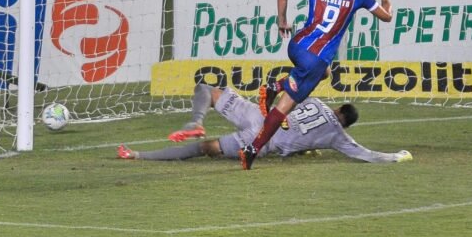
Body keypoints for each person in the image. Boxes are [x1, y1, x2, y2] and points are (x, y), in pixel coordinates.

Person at [240, 0, 394, 170]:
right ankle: (252, 149)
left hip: (296, 45)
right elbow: (387, 16)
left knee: (325, 73)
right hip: (316, 58)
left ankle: (279, 85)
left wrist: (282, 21)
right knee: (285, 107)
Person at [117, 83, 412, 164]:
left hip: (261, 116)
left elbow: (289, 103)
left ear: (337, 107)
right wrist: (397, 156)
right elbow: (366, 154)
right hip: (263, 141)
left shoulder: (315, 101)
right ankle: (138, 155)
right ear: (345, 125)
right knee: (203, 149)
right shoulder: (336, 136)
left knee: (206, 90)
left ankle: (196, 120)